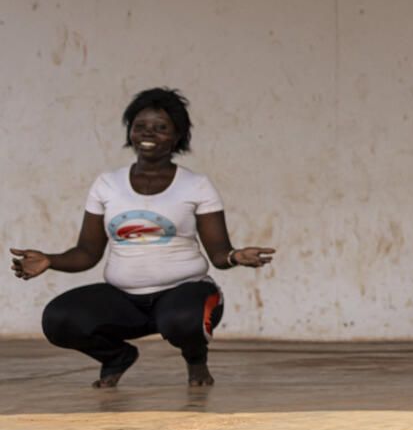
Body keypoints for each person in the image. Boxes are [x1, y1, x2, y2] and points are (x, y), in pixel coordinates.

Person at [9, 88, 275, 388]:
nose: (149, 133)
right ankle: (116, 356)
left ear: (177, 136)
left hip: (183, 293)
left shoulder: (196, 186)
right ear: (130, 132)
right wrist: (50, 260)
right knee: (59, 319)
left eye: (161, 128)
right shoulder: (107, 185)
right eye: (141, 126)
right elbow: (86, 252)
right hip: (126, 300)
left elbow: (218, 253)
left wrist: (235, 256)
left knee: (181, 321)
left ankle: (196, 358)